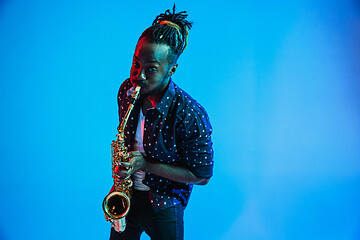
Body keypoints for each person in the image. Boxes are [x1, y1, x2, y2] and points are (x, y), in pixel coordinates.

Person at [107, 5, 214, 240]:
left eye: (151, 69)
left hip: (165, 203)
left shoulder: (190, 113)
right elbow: (125, 142)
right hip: (127, 197)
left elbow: (203, 175)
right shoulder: (127, 90)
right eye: (136, 64)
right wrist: (119, 182)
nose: (139, 76)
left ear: (172, 69)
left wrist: (144, 164)